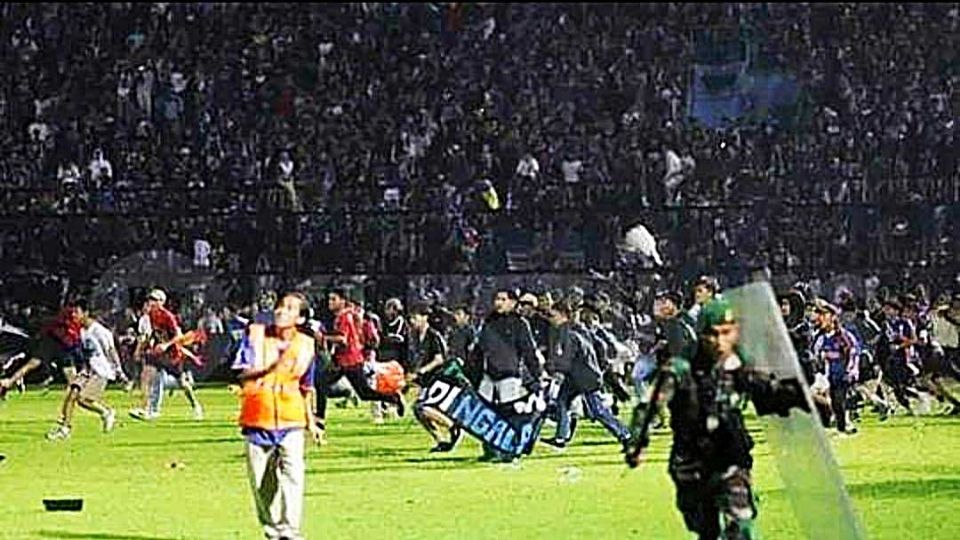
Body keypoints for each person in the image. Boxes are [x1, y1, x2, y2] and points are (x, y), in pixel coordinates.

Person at [627, 296, 809, 540]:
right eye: (714, 334)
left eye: (728, 332)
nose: (721, 342)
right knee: (707, 532)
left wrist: (805, 398)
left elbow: (768, 391)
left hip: (729, 459)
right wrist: (636, 445)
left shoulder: (736, 367)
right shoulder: (680, 370)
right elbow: (648, 408)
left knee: (740, 526)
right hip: (691, 464)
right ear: (701, 335)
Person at [232, 292, 323, 540]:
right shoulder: (255, 336)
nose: (282, 311)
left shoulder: (307, 345)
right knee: (262, 484)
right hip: (257, 418)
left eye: (290, 308)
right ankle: (271, 528)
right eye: (280, 306)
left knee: (294, 476)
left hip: (291, 418)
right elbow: (241, 369)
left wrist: (311, 422)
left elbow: (307, 387)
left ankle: (289, 528)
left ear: (301, 317)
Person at [314, 288, 405, 441]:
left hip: (349, 360)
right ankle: (320, 418)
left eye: (333, 299)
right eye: (329, 299)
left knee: (360, 392)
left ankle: (393, 397)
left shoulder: (344, 316)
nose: (330, 303)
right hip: (346, 359)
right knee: (325, 383)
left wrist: (323, 337)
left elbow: (342, 339)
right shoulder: (350, 314)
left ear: (342, 301)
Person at [541, 300, 631, 451]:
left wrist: (557, 371)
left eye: (553, 315)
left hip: (583, 378)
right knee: (562, 402)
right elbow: (600, 345)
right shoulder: (579, 329)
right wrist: (601, 365)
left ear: (562, 315)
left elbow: (566, 356)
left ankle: (626, 435)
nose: (551, 318)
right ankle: (561, 437)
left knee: (598, 411)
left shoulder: (566, 332)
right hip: (580, 376)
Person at [470, 288, 542, 462]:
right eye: (496, 299)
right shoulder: (488, 321)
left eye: (503, 299)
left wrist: (537, 375)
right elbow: (480, 351)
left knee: (510, 415)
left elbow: (529, 351)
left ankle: (510, 450)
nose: (498, 302)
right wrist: (473, 374)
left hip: (510, 376)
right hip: (488, 376)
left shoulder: (520, 323)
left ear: (512, 302)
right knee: (485, 414)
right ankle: (490, 450)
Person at [45, 302, 125, 441]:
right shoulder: (82, 330)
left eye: (77, 312)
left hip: (100, 371)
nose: (74, 315)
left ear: (86, 313)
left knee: (82, 400)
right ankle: (65, 429)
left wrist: (119, 370)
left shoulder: (100, 331)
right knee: (71, 395)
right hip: (87, 370)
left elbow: (111, 350)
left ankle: (106, 412)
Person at [129, 289, 204, 421]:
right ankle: (146, 409)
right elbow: (153, 334)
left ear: (162, 302)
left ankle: (195, 405)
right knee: (146, 376)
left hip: (172, 354)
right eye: (150, 299)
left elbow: (178, 336)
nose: (151, 302)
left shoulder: (168, 316)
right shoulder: (151, 315)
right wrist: (143, 348)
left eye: (154, 299)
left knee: (183, 384)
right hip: (158, 353)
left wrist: (166, 345)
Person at [407, 303, 461, 452]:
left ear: (425, 317)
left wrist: (420, 371)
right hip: (427, 380)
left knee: (423, 407)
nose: (412, 321)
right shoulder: (417, 337)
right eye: (411, 318)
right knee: (418, 411)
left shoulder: (433, 335)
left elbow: (439, 360)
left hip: (440, 379)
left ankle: (453, 427)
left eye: (415, 317)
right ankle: (441, 440)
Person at [811, 300, 860, 435]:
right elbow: (814, 356)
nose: (820, 317)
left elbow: (854, 353)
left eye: (824, 314)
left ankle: (843, 428)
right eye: (819, 314)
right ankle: (840, 424)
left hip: (842, 376)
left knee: (839, 402)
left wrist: (851, 371)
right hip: (827, 377)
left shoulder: (843, 336)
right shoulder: (819, 337)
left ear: (832, 316)